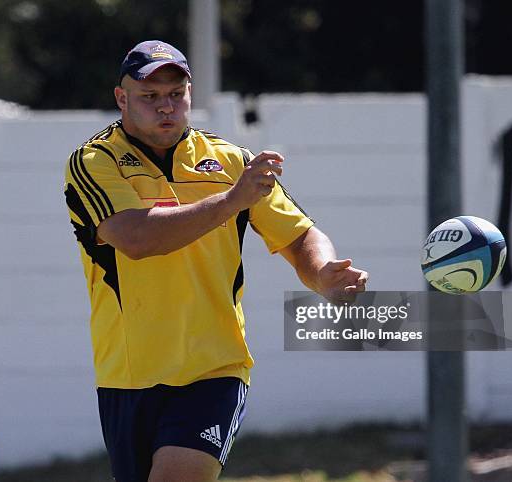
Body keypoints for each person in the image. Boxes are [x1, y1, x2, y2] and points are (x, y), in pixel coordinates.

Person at [64, 40, 368, 482]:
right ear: (121, 98)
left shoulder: (229, 162)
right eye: (150, 97)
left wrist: (321, 271)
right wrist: (231, 200)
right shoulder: (94, 161)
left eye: (176, 95)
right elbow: (137, 238)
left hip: (215, 370)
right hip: (128, 376)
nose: (166, 107)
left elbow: (299, 233)